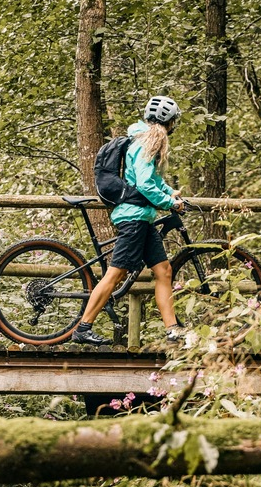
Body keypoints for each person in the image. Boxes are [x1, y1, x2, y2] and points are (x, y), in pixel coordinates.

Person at [71, 95, 186, 346]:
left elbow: (149, 178)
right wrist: (169, 203)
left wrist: (169, 192)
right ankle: (83, 327)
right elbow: (144, 183)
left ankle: (173, 329)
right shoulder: (149, 141)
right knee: (116, 274)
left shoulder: (144, 139)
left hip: (142, 218)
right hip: (134, 218)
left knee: (164, 271)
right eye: (174, 121)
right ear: (168, 121)